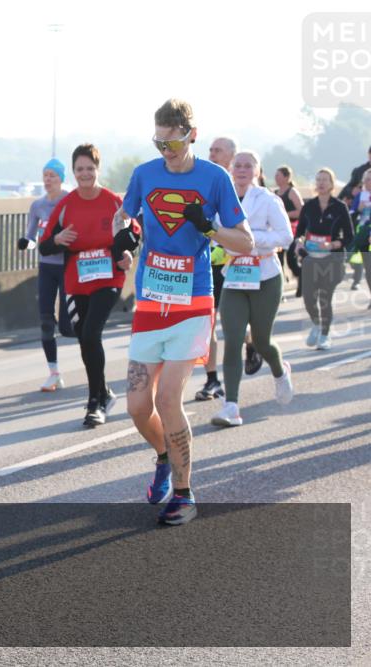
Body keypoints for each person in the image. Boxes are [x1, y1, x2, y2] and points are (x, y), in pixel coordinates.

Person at [118, 99, 254, 526]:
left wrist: (210, 228)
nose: (165, 151)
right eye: (158, 142)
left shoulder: (214, 178)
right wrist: (124, 236)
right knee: (137, 406)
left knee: (167, 398)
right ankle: (163, 456)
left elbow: (245, 242)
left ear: (190, 134)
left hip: (192, 303)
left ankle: (184, 493)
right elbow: (125, 214)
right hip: (150, 302)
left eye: (172, 142)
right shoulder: (144, 174)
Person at [39, 144, 134, 427]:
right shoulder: (65, 206)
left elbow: (132, 233)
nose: (85, 174)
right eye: (80, 169)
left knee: (92, 333)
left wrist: (127, 254)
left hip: (108, 277)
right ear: (73, 172)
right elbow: (44, 245)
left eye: (90, 169)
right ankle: (103, 391)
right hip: (76, 280)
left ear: (98, 170)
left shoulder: (112, 201)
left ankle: (95, 402)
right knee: (84, 337)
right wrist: (57, 240)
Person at [211, 151, 294, 427]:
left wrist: (250, 240)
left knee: (261, 341)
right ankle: (231, 406)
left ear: (258, 171)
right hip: (235, 276)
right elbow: (214, 233)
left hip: (266, 276)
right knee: (233, 339)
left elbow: (286, 236)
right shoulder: (222, 199)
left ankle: (280, 371)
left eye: (249, 166)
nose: (243, 170)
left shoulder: (268, 200)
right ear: (231, 169)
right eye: (238, 165)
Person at [18, 158, 70, 391]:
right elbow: (31, 238)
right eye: (45, 175)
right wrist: (25, 243)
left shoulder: (71, 201)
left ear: (62, 178)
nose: (48, 179)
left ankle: (93, 366)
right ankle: (54, 372)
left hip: (69, 266)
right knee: (46, 322)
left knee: (72, 325)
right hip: (46, 267)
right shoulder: (37, 205)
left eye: (53, 175)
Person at [193, 136, 236, 401]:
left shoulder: (242, 185)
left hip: (240, 268)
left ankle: (253, 342)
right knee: (207, 325)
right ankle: (212, 380)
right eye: (209, 149)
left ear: (231, 155)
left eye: (217, 150)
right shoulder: (203, 183)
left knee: (236, 326)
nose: (211, 153)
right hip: (210, 267)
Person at [295, 168, 354, 350]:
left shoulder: (339, 207)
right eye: (318, 179)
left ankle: (325, 336)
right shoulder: (309, 206)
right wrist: (299, 242)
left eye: (325, 180)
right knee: (308, 298)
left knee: (324, 298)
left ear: (331, 184)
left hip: (332, 260)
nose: (321, 183)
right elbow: (299, 232)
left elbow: (349, 236)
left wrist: (332, 245)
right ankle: (316, 324)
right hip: (311, 259)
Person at [274, 165, 304, 294]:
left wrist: (286, 214)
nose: (276, 178)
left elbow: (301, 210)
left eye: (278, 175)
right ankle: (279, 291)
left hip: (292, 229)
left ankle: (302, 280)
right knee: (278, 262)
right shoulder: (274, 193)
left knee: (291, 261)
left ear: (286, 177)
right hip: (277, 231)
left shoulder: (292, 192)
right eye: (275, 176)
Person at [349, 170, 371, 302]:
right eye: (367, 179)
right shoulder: (360, 196)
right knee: (368, 269)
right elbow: (350, 214)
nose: (369, 182)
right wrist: (358, 210)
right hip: (363, 235)